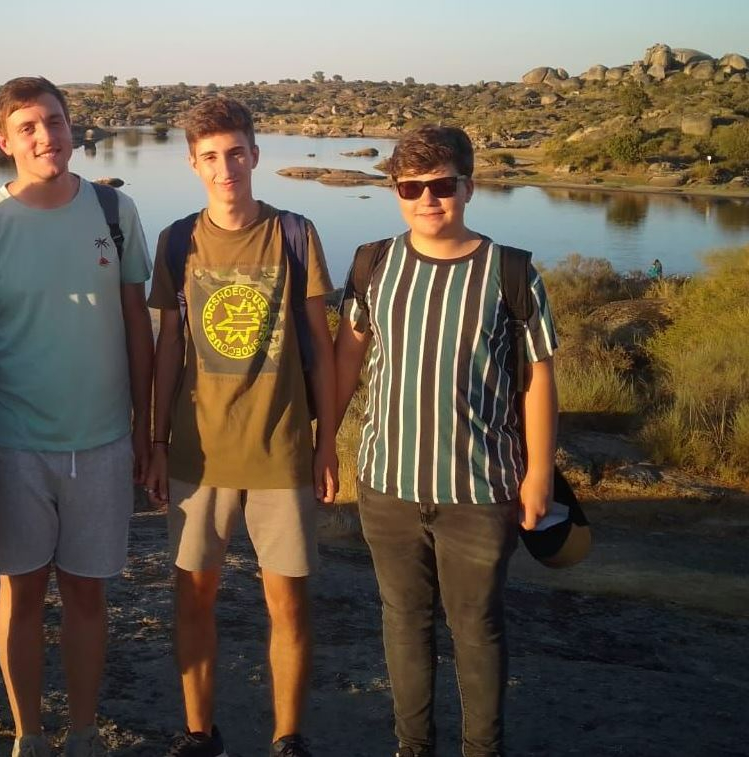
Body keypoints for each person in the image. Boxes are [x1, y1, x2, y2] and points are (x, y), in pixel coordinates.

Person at [334, 125, 559, 757]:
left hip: (480, 489)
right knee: (403, 623)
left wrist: (538, 472)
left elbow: (538, 377)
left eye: (442, 186)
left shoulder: (509, 271)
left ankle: (482, 749)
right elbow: (346, 361)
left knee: (477, 628)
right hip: (388, 483)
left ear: (468, 186)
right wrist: (326, 444)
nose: (428, 200)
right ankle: (414, 746)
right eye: (412, 188)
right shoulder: (373, 264)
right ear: (396, 192)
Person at [0, 76, 154, 757]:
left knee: (89, 595)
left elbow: (137, 328)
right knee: (24, 592)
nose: (47, 136)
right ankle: (29, 735)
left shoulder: (115, 212)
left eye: (56, 122)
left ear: (72, 126)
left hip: (101, 442)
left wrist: (147, 431)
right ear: (4, 140)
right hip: (14, 446)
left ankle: (85, 732)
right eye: (30, 126)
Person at [146, 97, 338, 757]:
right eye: (210, 157)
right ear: (193, 164)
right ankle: (200, 733)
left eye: (235, 153)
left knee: (287, 603)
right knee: (193, 598)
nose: (224, 168)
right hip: (197, 456)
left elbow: (320, 339)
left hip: (281, 451)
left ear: (254, 155)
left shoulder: (294, 233)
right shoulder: (177, 241)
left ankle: (288, 737)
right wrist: (156, 440)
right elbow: (170, 347)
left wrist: (327, 442)